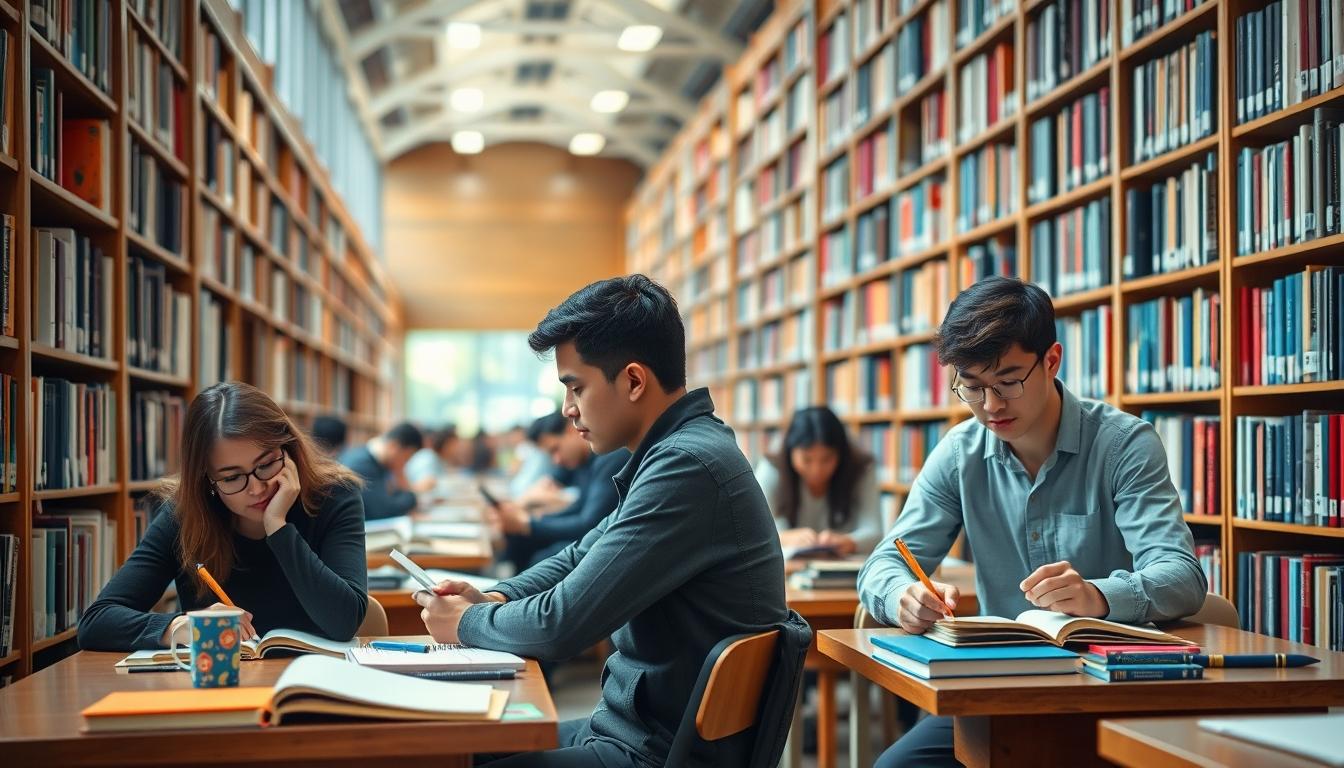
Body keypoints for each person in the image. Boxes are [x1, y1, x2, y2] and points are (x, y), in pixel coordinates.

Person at [413, 275, 788, 767]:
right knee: (450, 748)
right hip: (629, 731)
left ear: (633, 381)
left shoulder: (685, 465)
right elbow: (579, 556)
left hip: (655, 752)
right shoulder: (675, 452)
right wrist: (495, 598)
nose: (567, 409)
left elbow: (562, 625)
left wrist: (466, 623)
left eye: (576, 387)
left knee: (438, 755)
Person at [858, 276, 1207, 768]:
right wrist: (902, 595)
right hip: (996, 687)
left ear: (1052, 361)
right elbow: (881, 565)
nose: (991, 406)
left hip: (1111, 685)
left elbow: (1182, 576)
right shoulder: (959, 454)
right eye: (972, 387)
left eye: (1008, 382)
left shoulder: (1124, 445)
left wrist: (1098, 596)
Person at [78, 382, 368, 650]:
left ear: (288, 449)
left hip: (310, 679)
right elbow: (96, 622)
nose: (257, 488)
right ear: (207, 480)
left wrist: (278, 528)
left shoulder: (335, 496)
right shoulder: (186, 514)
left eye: (266, 464)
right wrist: (179, 627)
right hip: (219, 681)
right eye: (231, 478)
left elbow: (344, 622)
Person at [494, 412, 628, 572]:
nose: (556, 460)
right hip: (592, 536)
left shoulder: (610, 457)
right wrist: (534, 519)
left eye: (555, 449)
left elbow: (589, 524)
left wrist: (529, 524)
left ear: (571, 430)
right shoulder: (582, 462)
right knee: (521, 539)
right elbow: (578, 508)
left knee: (541, 558)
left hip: (609, 546)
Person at [755, 405, 884, 557]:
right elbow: (756, 531)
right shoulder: (771, 468)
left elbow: (874, 532)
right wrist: (785, 537)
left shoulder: (860, 468)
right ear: (790, 452)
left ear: (841, 454)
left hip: (844, 567)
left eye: (827, 459)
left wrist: (849, 541)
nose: (817, 470)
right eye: (806, 459)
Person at [339, 422, 423, 520]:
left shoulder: (378, 462)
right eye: (406, 458)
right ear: (393, 446)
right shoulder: (362, 465)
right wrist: (412, 497)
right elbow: (383, 511)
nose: (405, 464)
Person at [405, 425, 462, 493]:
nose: (459, 449)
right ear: (447, 445)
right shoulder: (428, 458)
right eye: (456, 445)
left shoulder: (438, 459)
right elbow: (422, 486)